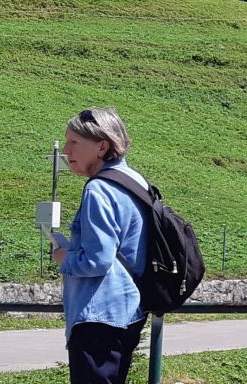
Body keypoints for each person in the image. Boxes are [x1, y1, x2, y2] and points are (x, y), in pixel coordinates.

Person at [52, 108, 149, 384]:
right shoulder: (134, 180)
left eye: (74, 143)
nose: (66, 150)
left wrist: (64, 258)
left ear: (102, 146)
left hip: (98, 316)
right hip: (129, 310)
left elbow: (97, 261)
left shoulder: (99, 190)